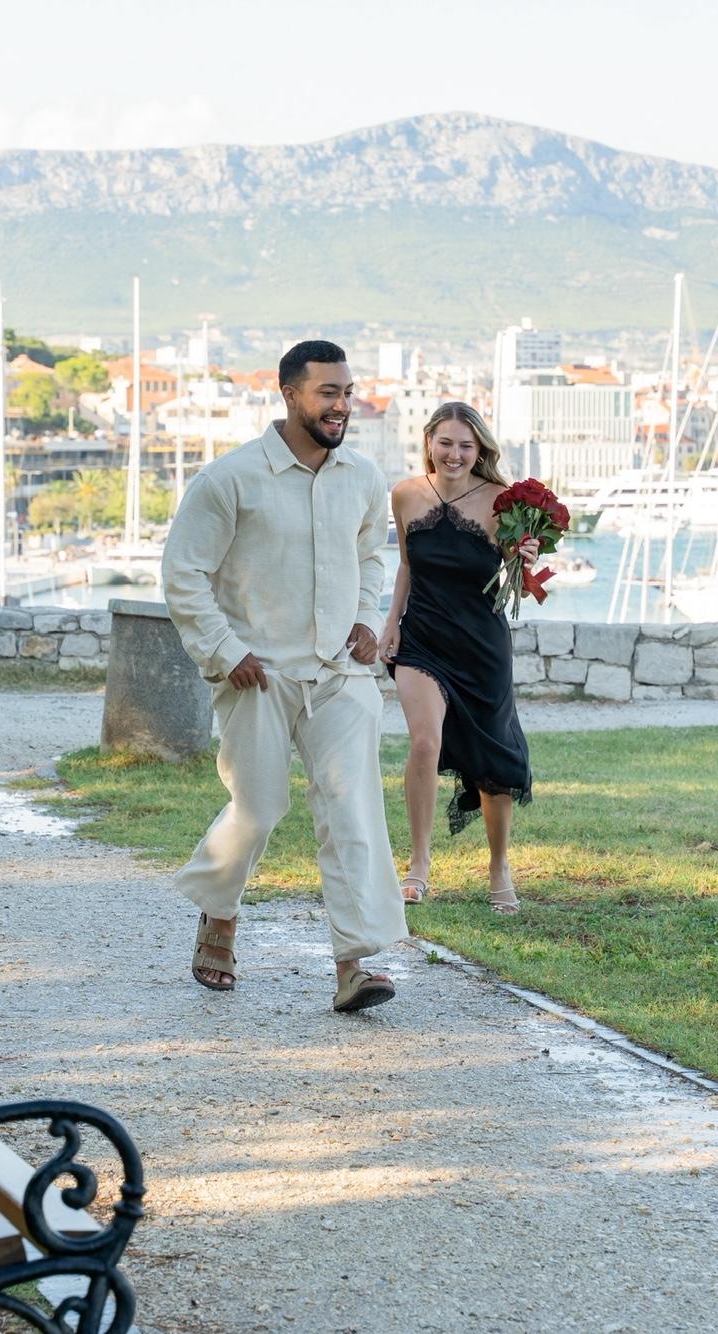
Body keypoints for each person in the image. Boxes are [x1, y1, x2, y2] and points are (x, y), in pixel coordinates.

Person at [162, 339, 407, 1012]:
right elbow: (184, 574)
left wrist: (366, 618)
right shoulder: (230, 479)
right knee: (259, 808)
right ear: (290, 394)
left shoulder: (363, 477)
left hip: (341, 675)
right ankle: (219, 914)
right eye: (328, 392)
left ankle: (354, 963)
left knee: (352, 811)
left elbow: (371, 558)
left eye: (347, 392)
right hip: (258, 675)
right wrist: (225, 650)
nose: (341, 405)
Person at [378, 402, 538, 914]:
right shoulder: (405, 494)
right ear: (429, 441)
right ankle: (419, 863)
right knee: (425, 742)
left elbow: (518, 582)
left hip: (481, 646)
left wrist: (527, 558)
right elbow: (407, 565)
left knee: (493, 761)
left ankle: (499, 866)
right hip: (422, 638)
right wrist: (391, 622)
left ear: (479, 449)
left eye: (466, 446)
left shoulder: (501, 502)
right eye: (445, 443)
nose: (454, 454)